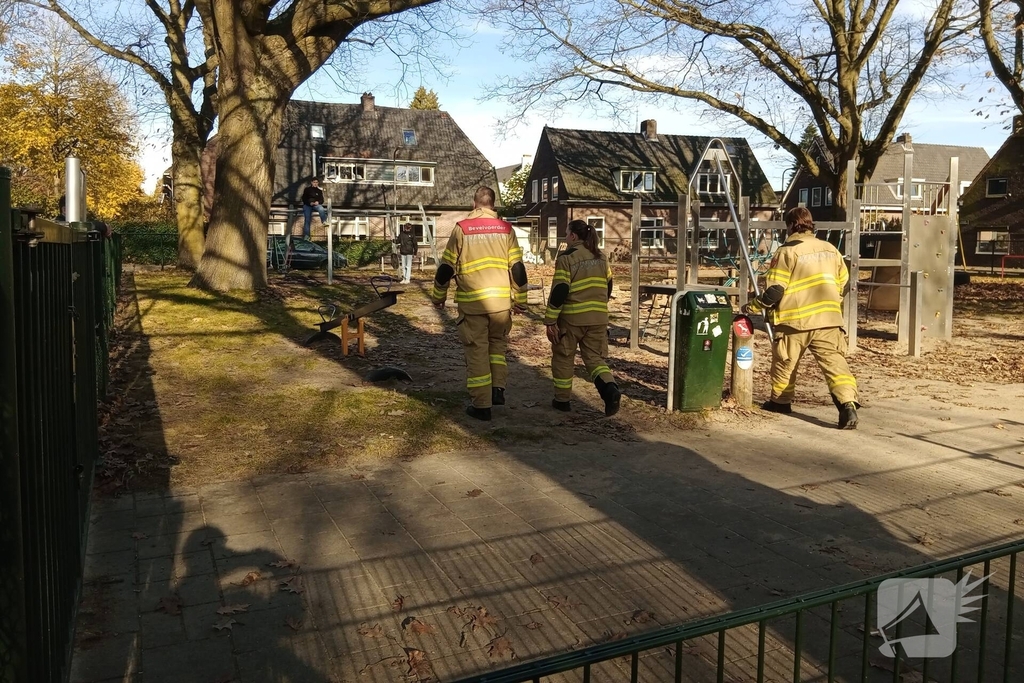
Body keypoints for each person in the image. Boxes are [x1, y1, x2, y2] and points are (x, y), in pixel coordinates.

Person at [742, 206, 860, 429]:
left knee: (785, 362)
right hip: (829, 320)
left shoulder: (787, 251)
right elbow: (843, 282)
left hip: (795, 321)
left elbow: (776, 290)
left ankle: (780, 402)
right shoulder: (830, 249)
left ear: (791, 225)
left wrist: (754, 306)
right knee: (835, 365)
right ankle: (848, 405)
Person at [430, 187, 528, 421]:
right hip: (501, 305)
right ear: (493, 205)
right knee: (497, 348)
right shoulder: (506, 229)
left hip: (473, 305)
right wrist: (520, 300)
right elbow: (517, 269)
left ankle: (482, 406)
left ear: (475, 204)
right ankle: (497, 390)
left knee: (477, 353)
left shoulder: (462, 229)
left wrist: (438, 296)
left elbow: (446, 268)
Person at [544, 219, 621, 417]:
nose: (565, 237)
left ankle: (562, 400)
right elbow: (609, 285)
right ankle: (610, 390)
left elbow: (560, 290)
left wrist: (550, 320)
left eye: (566, 233)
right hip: (598, 317)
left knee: (563, 356)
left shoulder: (566, 257)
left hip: (572, 319)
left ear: (574, 236)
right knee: (594, 358)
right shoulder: (601, 257)